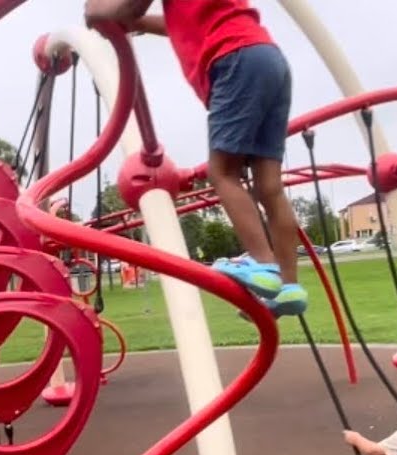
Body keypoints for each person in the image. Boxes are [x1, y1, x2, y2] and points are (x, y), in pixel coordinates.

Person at [82, 0, 308, 317]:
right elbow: (187, 22)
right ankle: (289, 287)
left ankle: (263, 265)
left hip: (232, 58)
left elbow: (110, 11)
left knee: (222, 174)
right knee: (269, 186)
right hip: (268, 57)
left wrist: (95, 10)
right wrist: (143, 24)